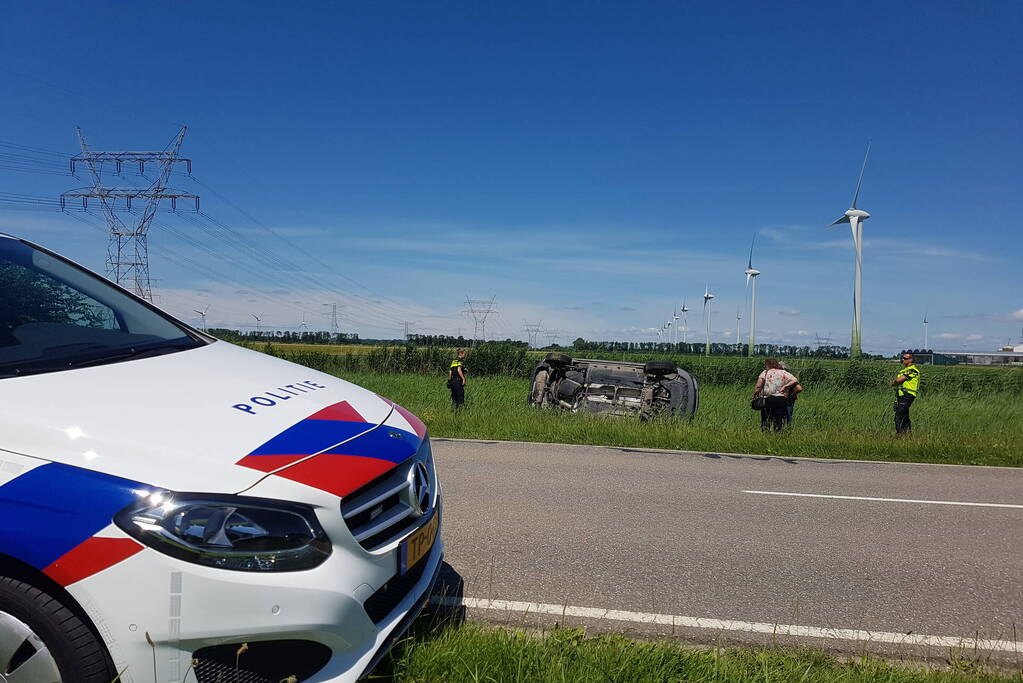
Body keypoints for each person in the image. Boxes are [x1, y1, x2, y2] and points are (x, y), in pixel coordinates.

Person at [754, 358, 799, 432]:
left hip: (767, 399)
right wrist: (785, 386)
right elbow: (795, 380)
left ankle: (765, 434)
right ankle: (777, 435)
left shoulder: (765, 372)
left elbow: (758, 386)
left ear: (767, 365)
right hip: (781, 399)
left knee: (766, 419)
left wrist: (755, 394)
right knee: (778, 420)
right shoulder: (784, 372)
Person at [891, 351, 920, 434]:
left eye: (905, 358)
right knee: (905, 416)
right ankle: (908, 434)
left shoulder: (912, 370)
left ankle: (899, 434)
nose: (903, 360)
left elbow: (898, 380)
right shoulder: (904, 370)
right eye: (902, 358)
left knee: (899, 416)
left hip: (908, 396)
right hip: (901, 396)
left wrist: (894, 382)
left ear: (911, 360)